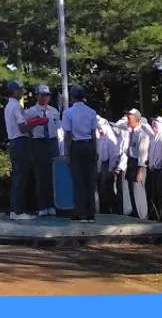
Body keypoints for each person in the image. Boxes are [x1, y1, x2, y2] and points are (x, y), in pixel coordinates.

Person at [61, 85, 99, 222]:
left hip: (76, 146)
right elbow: (94, 134)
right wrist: (95, 151)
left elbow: (68, 134)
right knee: (89, 180)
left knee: (78, 180)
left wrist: (67, 153)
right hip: (89, 144)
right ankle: (91, 213)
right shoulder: (91, 112)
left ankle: (80, 212)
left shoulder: (68, 113)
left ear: (72, 97)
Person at [24, 84, 61, 217]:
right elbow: (26, 130)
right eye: (42, 95)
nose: (45, 98)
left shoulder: (54, 111)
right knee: (40, 175)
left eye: (47, 95)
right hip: (38, 141)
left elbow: (58, 129)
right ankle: (42, 205)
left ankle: (52, 204)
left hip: (52, 141)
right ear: (37, 96)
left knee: (53, 174)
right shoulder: (30, 112)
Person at [2, 79, 33, 220]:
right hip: (20, 141)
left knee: (18, 175)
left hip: (15, 142)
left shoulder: (9, 106)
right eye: (20, 90)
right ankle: (17, 211)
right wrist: (33, 124)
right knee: (20, 176)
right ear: (14, 91)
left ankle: (17, 209)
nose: (22, 92)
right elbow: (22, 126)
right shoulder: (15, 107)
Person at [118, 110, 150, 219]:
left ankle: (142, 216)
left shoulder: (142, 133)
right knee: (130, 189)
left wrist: (140, 170)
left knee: (138, 190)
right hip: (130, 162)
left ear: (136, 118)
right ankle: (134, 214)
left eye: (130, 117)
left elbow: (143, 153)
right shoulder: (131, 132)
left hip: (138, 164)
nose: (128, 120)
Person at [146, 116, 162, 221]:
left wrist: (157, 164)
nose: (153, 127)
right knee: (155, 192)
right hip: (154, 168)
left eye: (155, 125)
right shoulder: (154, 138)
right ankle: (155, 214)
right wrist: (152, 164)